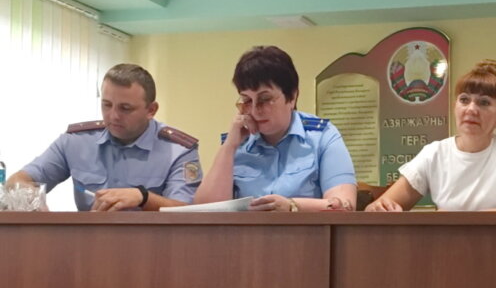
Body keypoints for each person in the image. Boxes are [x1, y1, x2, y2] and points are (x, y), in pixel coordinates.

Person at [6, 64, 202, 211]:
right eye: (107, 105)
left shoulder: (179, 151)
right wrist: (29, 199)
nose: (113, 116)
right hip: (88, 245)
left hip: (152, 248)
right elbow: (19, 179)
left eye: (125, 108)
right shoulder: (76, 142)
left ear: (151, 110)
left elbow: (187, 212)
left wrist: (143, 198)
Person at [367, 60, 496, 212]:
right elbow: (378, 208)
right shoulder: (435, 153)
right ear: (455, 106)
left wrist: (466, 220)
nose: (471, 109)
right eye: (464, 100)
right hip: (446, 243)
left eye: (484, 102)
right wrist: (378, 207)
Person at [194, 45, 357, 211]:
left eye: (265, 99)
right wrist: (229, 146)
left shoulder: (322, 135)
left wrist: (292, 207)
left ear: (292, 97)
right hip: (248, 229)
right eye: (247, 100)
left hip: (305, 228)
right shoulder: (237, 141)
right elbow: (205, 212)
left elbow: (344, 206)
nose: (255, 110)